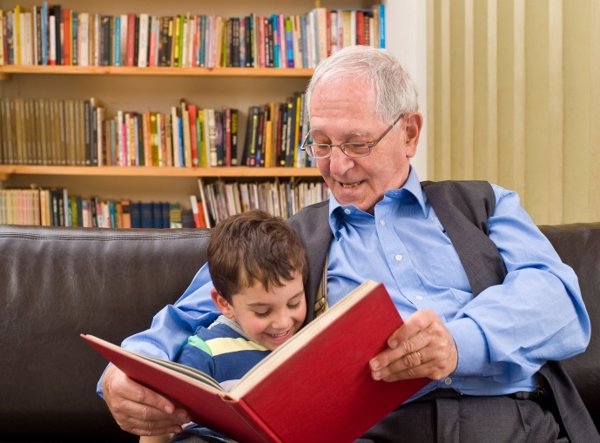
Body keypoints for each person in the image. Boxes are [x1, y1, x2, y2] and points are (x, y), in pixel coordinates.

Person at [99, 46, 597, 441]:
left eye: (357, 144)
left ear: (409, 132)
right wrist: (124, 376)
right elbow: (190, 316)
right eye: (320, 143)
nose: (336, 167)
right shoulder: (286, 240)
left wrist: (457, 343)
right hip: (373, 431)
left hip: (514, 422)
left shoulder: (485, 205)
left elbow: (557, 302)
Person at [140, 210, 308, 443]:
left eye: (294, 302)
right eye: (262, 311)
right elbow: (161, 418)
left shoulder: (310, 339)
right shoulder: (206, 351)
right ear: (224, 303)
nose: (283, 322)